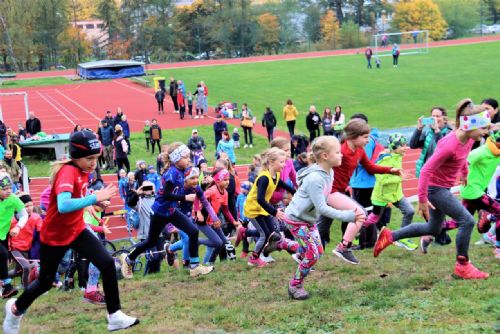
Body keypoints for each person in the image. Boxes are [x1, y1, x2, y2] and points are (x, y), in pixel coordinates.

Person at [2, 131, 139, 333]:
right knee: (45, 282)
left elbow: (77, 195)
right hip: (56, 236)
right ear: (76, 157)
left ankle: (115, 316)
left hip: (76, 229)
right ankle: (14, 310)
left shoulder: (82, 169)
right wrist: (94, 198)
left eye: (96, 158)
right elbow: (64, 205)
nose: (94, 163)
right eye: (89, 159)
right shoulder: (68, 172)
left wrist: (93, 199)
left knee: (107, 263)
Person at [374, 99, 491, 280]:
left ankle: (390, 236)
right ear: (469, 126)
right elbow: (427, 169)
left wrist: (465, 172)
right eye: (484, 128)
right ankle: (462, 265)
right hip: (435, 190)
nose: (486, 133)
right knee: (467, 221)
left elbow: (463, 157)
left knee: (434, 228)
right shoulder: (449, 144)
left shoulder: (468, 138)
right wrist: (421, 200)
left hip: (442, 188)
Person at [119, 143, 213, 279]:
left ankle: (194, 267)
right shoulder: (172, 173)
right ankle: (128, 259)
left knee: (193, 231)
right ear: (176, 159)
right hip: (160, 212)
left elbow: (184, 187)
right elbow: (167, 195)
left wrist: (200, 186)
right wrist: (186, 197)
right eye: (185, 157)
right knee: (151, 241)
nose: (188, 160)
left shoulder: (180, 171)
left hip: (170, 210)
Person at [317, 119, 401, 265]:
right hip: (330, 192)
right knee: (360, 214)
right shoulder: (341, 151)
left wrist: (391, 170)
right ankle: (343, 247)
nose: (368, 141)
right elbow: (322, 166)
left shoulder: (359, 151)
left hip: (339, 192)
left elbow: (370, 167)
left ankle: (302, 254)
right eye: (365, 137)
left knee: (321, 228)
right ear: (353, 136)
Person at [284, 136, 357, 300]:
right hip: (296, 220)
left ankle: (281, 243)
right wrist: (347, 215)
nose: (341, 155)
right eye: (337, 152)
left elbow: (324, 197)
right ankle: (295, 285)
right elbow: (322, 208)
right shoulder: (315, 178)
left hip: (308, 220)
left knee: (318, 250)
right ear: (325, 156)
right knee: (312, 255)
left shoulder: (329, 172)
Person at [243, 148, 295, 267]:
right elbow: (260, 199)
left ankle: (245, 232)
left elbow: (280, 183)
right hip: (254, 210)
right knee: (265, 234)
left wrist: (294, 191)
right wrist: (275, 212)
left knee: (272, 234)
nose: (284, 165)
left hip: (263, 208)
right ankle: (254, 258)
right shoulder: (264, 178)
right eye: (281, 162)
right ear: (271, 162)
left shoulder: (275, 175)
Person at [365, 134, 416, 250]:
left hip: (396, 194)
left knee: (409, 211)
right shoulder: (384, 159)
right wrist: (400, 178)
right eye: (402, 146)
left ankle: (402, 238)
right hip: (381, 196)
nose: (405, 148)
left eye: (405, 145)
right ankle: (356, 233)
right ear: (395, 147)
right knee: (373, 219)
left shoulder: (398, 156)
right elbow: (382, 179)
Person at [0, 173, 28, 299]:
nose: (8, 191)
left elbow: (24, 215)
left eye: (10, 188)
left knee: (3, 259)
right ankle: (7, 286)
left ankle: (4, 288)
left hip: (3, 234)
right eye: (4, 189)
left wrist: (18, 226)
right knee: (3, 254)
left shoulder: (13, 199)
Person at [9, 193, 43, 289]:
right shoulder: (12, 220)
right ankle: (27, 289)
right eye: (26, 206)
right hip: (14, 249)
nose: (29, 208)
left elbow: (42, 231)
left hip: (26, 248)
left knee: (18, 271)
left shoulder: (35, 217)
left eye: (31, 205)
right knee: (26, 267)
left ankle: (3, 277)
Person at [410, 107, 452, 178]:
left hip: (440, 174)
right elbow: (413, 145)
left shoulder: (449, 133)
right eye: (433, 116)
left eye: (438, 116)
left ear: (444, 119)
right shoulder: (427, 132)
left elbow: (444, 149)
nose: (435, 119)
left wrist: (437, 130)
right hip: (426, 173)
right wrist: (419, 129)